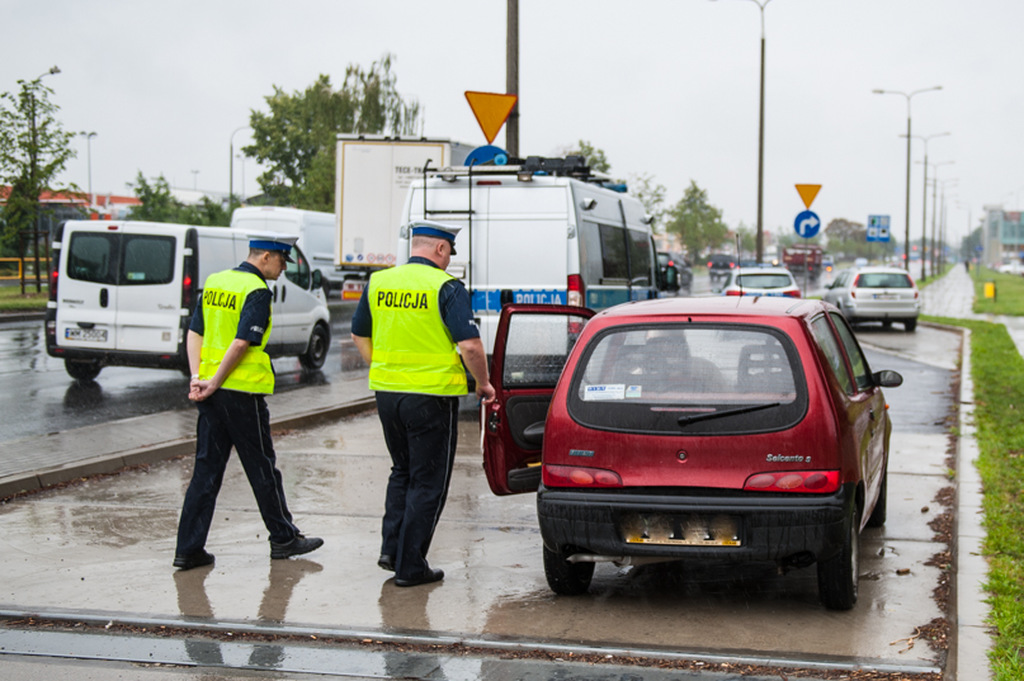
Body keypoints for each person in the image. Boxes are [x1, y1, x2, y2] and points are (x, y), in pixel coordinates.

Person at [350, 220, 495, 587]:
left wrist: (383, 369)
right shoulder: (446, 287)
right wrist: (483, 383)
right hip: (431, 396)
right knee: (428, 482)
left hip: (387, 393)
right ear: (441, 250)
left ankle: (392, 549)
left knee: (402, 471)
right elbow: (471, 346)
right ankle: (411, 566)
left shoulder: (379, 282)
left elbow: (358, 332)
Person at [173, 233, 323, 571]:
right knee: (262, 468)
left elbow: (195, 332)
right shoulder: (256, 290)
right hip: (240, 394)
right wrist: (215, 382)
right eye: (283, 261)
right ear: (266, 257)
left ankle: (188, 548)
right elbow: (242, 343)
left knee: (206, 472)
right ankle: (284, 539)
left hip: (210, 394)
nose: (284, 268)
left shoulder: (216, 282)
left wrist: (198, 377)